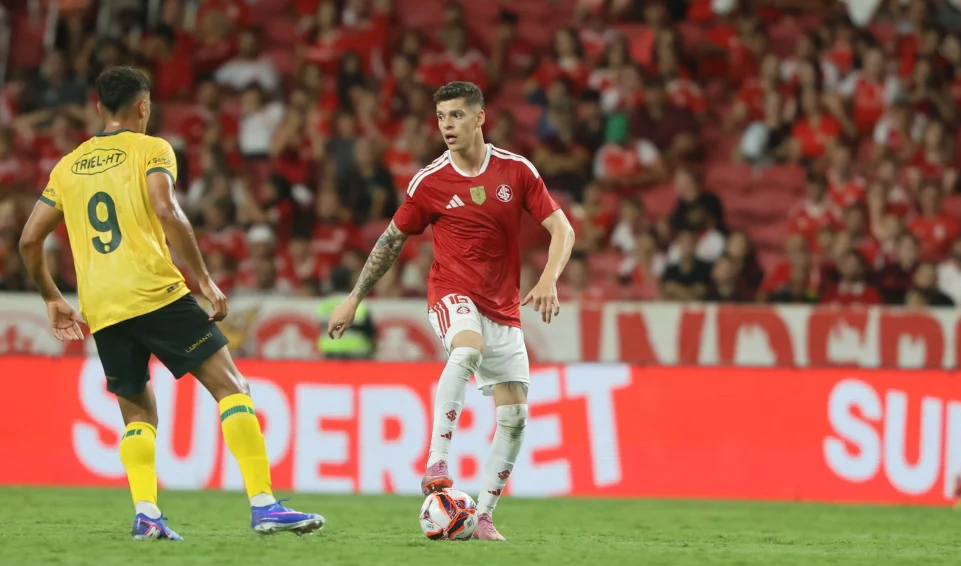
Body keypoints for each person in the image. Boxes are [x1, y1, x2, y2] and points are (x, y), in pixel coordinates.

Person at [17, 67, 323, 541]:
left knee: (138, 415)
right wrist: (204, 279)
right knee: (232, 386)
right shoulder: (151, 149)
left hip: (103, 307)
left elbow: (28, 240)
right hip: (155, 292)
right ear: (143, 106)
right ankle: (264, 504)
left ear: (98, 108)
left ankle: (147, 514)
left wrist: (52, 298)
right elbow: (166, 209)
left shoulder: (67, 167)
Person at [327, 81, 575, 541]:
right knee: (467, 349)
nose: (447, 125)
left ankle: (483, 516)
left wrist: (548, 279)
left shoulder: (516, 170)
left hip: (503, 305)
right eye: (441, 117)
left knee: (516, 417)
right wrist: (355, 296)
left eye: (457, 115)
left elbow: (563, 229)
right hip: (451, 292)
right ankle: (437, 462)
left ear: (480, 118)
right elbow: (391, 240)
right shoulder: (430, 181)